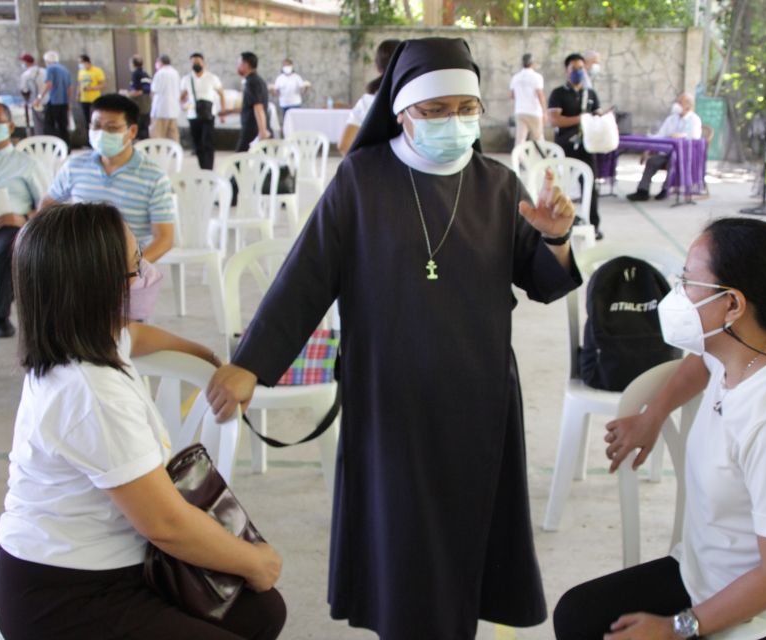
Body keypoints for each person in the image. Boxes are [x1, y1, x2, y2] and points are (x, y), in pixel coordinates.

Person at [206, 37, 580, 639]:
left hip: (479, 397)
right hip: (390, 398)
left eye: (466, 108)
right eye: (435, 111)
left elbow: (542, 281)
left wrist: (557, 239)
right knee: (402, 545)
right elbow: (305, 276)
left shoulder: (497, 184)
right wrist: (251, 363)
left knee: (469, 540)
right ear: (402, 110)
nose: (453, 123)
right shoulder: (361, 180)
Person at [0, 201, 288, 640]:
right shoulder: (90, 393)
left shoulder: (86, 337)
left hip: (118, 561)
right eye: (134, 266)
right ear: (95, 287)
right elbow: (166, 525)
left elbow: (137, 334)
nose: (145, 272)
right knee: (252, 591)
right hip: (63, 594)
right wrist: (253, 560)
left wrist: (209, 358)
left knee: (261, 613)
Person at [554, 217, 766, 640]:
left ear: (732, 304)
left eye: (688, 281)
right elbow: (699, 361)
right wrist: (653, 415)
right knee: (578, 616)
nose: (678, 293)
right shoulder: (741, 346)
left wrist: (676, 628)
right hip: (706, 573)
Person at [40, 94, 175, 264]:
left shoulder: (153, 178)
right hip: (80, 262)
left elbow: (164, 238)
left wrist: (131, 269)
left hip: (127, 263)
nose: (102, 133)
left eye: (112, 128)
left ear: (131, 131)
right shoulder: (74, 166)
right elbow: (47, 204)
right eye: (96, 126)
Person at [0, 102, 49, 338]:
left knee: (6, 248)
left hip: (9, 225)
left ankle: (1, 316)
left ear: (10, 126)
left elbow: (48, 204)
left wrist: (23, 217)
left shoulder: (27, 164)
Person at [548, 52, 602, 238]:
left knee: (590, 186)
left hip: (587, 147)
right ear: (566, 71)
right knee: (563, 188)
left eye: (581, 69)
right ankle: (561, 226)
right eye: (574, 69)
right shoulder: (558, 94)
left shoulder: (591, 94)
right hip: (565, 147)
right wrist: (581, 119)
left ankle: (593, 226)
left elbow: (598, 117)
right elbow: (555, 120)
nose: (577, 72)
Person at [626, 92, 703, 202]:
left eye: (680, 102)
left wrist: (681, 136)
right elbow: (660, 135)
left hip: (683, 157)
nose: (677, 104)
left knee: (674, 161)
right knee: (652, 161)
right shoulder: (671, 119)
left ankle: (666, 189)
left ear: (688, 105)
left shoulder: (694, 120)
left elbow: (695, 138)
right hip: (665, 152)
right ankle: (642, 191)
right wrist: (648, 147)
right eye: (677, 101)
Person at [338, 38, 400, 155]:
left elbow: (344, 145)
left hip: (376, 169)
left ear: (377, 65)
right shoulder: (417, 102)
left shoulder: (368, 101)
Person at [180, 52, 226, 170]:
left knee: (207, 142)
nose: (196, 64)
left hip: (208, 115)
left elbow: (221, 94)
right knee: (198, 144)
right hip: (193, 115)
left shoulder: (212, 78)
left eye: (198, 62)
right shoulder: (187, 79)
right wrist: (183, 105)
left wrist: (223, 112)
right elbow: (182, 97)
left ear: (203, 63)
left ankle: (209, 168)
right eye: (193, 63)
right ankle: (203, 168)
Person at [234, 51, 270, 151]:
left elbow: (258, 107)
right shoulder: (256, 80)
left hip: (252, 129)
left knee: (240, 160)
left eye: (239, 63)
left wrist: (262, 131)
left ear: (246, 65)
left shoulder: (252, 82)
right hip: (253, 127)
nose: (237, 67)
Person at [509, 53, 546, 146]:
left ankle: (518, 159)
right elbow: (540, 95)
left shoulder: (516, 77)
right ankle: (539, 158)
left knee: (520, 139)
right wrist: (544, 111)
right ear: (533, 63)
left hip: (520, 111)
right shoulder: (537, 77)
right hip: (534, 112)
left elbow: (512, 95)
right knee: (538, 138)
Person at [37, 50, 72, 145]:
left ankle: (52, 146)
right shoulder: (65, 69)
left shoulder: (50, 68)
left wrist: (39, 97)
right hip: (64, 101)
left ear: (47, 60)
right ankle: (66, 146)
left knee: (49, 125)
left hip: (54, 101)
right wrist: (68, 102)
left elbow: (49, 84)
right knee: (63, 126)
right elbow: (69, 88)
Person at [150, 54, 181, 142]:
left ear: (160, 62)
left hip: (160, 110)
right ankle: (174, 154)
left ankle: (159, 155)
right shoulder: (175, 73)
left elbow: (154, 90)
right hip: (173, 110)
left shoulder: (160, 73)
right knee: (173, 136)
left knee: (158, 136)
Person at [18, 53, 47, 135]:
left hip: (36, 103)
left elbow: (24, 90)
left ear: (26, 62)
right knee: (48, 125)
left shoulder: (26, 75)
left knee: (38, 126)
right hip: (49, 102)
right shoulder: (44, 71)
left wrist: (26, 101)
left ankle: (41, 143)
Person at [125, 54, 152, 140]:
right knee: (145, 126)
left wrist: (127, 94)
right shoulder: (145, 73)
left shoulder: (136, 74)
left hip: (139, 104)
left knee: (139, 126)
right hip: (146, 104)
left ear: (133, 64)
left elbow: (138, 91)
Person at [77, 54, 107, 128]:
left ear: (87, 62)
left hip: (94, 99)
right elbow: (79, 84)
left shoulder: (97, 71)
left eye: (81, 62)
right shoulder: (81, 71)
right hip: (84, 99)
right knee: (87, 121)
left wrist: (92, 88)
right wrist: (77, 95)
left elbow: (103, 84)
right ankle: (89, 138)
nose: (80, 64)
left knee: (96, 120)